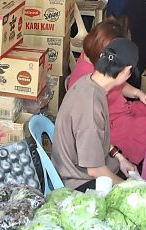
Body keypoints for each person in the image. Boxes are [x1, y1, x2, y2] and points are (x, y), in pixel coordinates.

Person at [53, 38, 140, 188]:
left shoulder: (89, 82)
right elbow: (95, 170)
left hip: (93, 167)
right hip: (81, 182)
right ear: (126, 71)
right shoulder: (91, 107)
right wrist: (129, 188)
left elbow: (94, 140)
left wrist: (119, 157)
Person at [66, 21, 146, 166]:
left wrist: (138, 93)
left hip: (120, 110)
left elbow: (118, 83)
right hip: (108, 126)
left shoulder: (96, 59)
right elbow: (94, 143)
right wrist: (117, 156)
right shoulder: (86, 92)